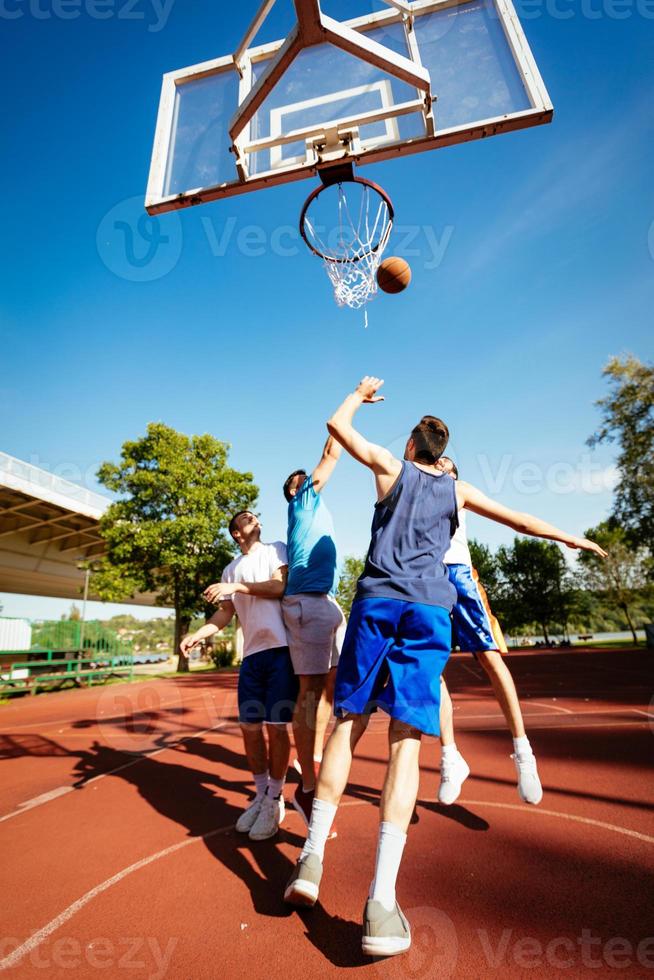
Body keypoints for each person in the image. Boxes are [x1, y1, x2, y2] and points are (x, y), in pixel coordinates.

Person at [283, 376, 607, 959]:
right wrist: (572, 539)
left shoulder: (388, 466)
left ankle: (311, 861)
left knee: (348, 723)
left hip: (378, 601)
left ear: (411, 445)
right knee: (407, 741)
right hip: (430, 610)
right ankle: (381, 903)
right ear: (442, 452)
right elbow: (522, 521)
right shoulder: (458, 490)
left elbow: (336, 427)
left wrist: (360, 393)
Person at [181, 511, 298, 841]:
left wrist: (235, 586)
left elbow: (278, 586)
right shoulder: (230, 568)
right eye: (248, 517)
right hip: (252, 657)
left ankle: (276, 798)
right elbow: (224, 613)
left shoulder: (275, 549)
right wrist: (198, 634)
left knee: (276, 729)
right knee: (249, 729)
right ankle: (260, 795)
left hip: (280, 651)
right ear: (236, 533)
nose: (256, 517)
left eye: (256, 515)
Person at [436, 456, 542, 807]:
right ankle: (451, 757)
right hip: (427, 583)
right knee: (432, 669)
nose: (439, 464)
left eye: (446, 463)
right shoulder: (414, 488)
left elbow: (519, 522)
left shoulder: (457, 491)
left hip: (460, 577)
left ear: (453, 474)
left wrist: (569, 538)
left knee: (490, 659)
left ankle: (523, 751)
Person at [282, 436, 347, 826]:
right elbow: (331, 454)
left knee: (329, 687)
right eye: (300, 480)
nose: (307, 480)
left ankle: (315, 757)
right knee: (310, 689)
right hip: (307, 600)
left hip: (325, 600)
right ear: (295, 490)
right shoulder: (302, 500)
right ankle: (306, 787)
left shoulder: (315, 509)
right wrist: (349, 409)